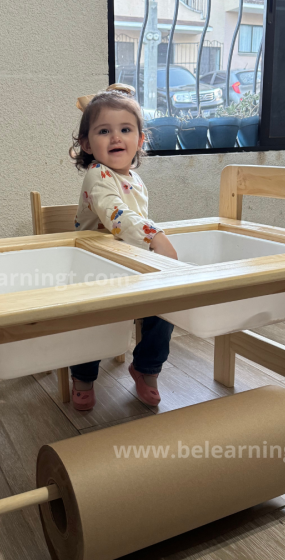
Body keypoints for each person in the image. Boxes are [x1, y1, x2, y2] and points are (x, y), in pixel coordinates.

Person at [68, 83, 177, 411]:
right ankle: (83, 377)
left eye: (125, 129)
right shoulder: (97, 174)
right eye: (104, 131)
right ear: (87, 144)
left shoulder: (135, 178)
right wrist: (155, 235)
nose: (116, 137)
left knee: (167, 305)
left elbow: (135, 217)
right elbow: (118, 216)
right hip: (95, 269)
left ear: (140, 140)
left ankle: (146, 370)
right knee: (93, 321)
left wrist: (150, 238)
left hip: (128, 264)